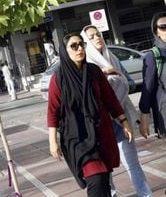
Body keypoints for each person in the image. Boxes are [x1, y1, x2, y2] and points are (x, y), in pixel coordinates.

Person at [48, 33, 133, 196]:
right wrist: (53, 142)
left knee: (105, 180)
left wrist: (124, 121)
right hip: (77, 137)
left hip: (100, 132)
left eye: (81, 44)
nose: (79, 48)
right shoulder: (58, 79)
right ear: (65, 51)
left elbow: (110, 99)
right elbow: (53, 111)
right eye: (74, 46)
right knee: (96, 179)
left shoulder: (94, 71)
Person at [81, 25, 152, 197]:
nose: (97, 38)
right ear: (86, 42)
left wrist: (116, 74)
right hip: (101, 124)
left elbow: (130, 82)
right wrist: (104, 76)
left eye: (98, 34)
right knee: (107, 169)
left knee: (132, 163)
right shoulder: (87, 66)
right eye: (92, 37)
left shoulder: (112, 58)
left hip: (121, 119)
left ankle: (146, 194)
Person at [140, 12, 166, 139]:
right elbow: (147, 87)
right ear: (157, 32)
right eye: (163, 27)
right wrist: (144, 115)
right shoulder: (153, 56)